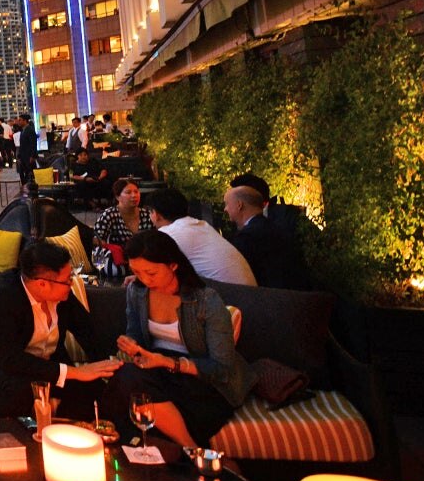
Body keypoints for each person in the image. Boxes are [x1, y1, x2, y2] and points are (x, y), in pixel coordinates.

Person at [104, 231, 254, 447]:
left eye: (151, 273)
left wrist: (166, 362)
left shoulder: (205, 301)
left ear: (173, 265)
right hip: (159, 373)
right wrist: (132, 344)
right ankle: (176, 453)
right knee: (123, 376)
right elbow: (135, 331)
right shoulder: (137, 292)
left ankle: (188, 448)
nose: (144, 280)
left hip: (203, 381)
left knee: (129, 383)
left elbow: (221, 368)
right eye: (136, 272)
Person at [0, 241, 120, 416]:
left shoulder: (60, 292)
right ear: (42, 284)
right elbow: (10, 360)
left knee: (92, 388)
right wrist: (75, 372)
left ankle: (66, 436)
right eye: (67, 280)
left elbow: (87, 331)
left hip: (40, 363)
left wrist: (107, 366)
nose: (72, 283)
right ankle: (6, 439)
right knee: (21, 388)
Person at [148, 187, 256, 285]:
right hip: (250, 294)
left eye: (150, 212)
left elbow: (151, 272)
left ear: (156, 215)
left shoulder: (169, 234)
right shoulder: (201, 225)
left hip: (231, 302)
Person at [224, 185, 309, 289]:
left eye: (227, 204)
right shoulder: (277, 229)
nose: (225, 209)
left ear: (239, 205)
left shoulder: (247, 237)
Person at [93, 177, 155, 251]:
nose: (134, 195)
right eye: (128, 192)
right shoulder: (110, 215)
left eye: (136, 191)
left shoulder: (147, 214)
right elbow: (96, 239)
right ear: (117, 197)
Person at [15, 113, 39, 195]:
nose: (19, 122)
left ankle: (31, 191)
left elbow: (33, 144)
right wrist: (19, 156)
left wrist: (32, 156)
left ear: (25, 121)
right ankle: (25, 190)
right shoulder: (23, 130)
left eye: (20, 120)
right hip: (23, 157)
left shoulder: (30, 130)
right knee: (23, 174)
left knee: (30, 175)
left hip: (29, 157)